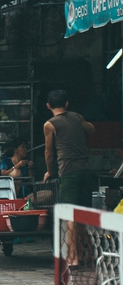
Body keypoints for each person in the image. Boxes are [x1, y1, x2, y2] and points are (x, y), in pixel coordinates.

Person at [43, 89, 95, 267]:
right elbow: (92, 129)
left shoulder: (50, 124)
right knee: (82, 214)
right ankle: (81, 253)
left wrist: (50, 171)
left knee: (71, 216)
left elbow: (49, 153)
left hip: (68, 172)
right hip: (86, 170)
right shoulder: (76, 117)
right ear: (67, 104)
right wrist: (80, 122)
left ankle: (73, 257)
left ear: (48, 106)